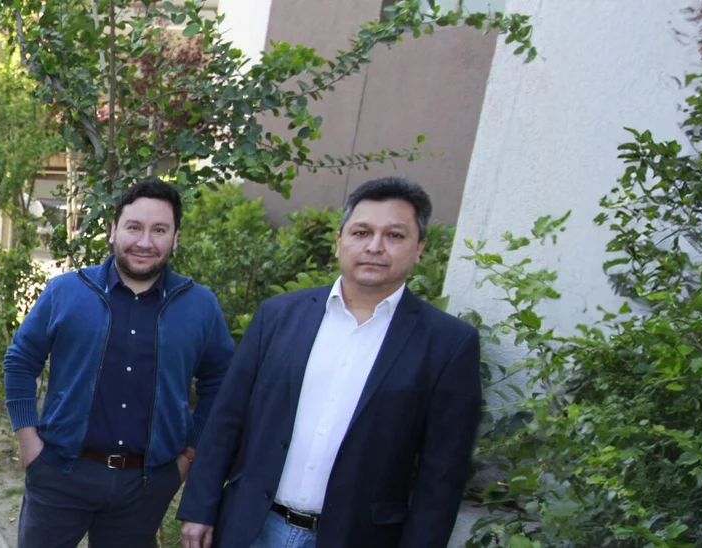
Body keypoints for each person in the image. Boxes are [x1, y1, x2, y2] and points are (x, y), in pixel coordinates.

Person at [176, 177, 483, 548]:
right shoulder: (279, 316)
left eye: (395, 236)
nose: (374, 246)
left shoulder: (448, 343)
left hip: (356, 537)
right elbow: (228, 416)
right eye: (361, 232)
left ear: (419, 248)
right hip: (251, 526)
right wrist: (199, 508)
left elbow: (442, 471)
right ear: (340, 241)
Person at [2, 179, 236, 547]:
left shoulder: (200, 306)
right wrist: (27, 439)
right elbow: (20, 360)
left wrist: (189, 453)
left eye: (159, 230)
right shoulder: (67, 291)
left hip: (144, 486)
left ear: (175, 238)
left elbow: (221, 383)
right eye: (134, 227)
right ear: (113, 231)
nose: (145, 241)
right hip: (61, 473)